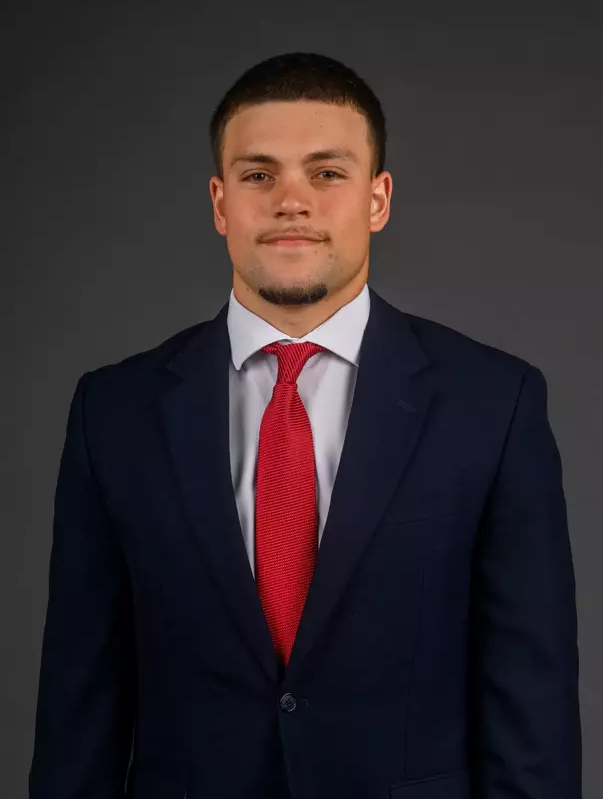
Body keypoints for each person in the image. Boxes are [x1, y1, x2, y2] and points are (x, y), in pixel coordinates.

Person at [29, 51, 582, 799]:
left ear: (377, 199)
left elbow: (531, 697)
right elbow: (78, 703)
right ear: (221, 202)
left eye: (326, 173)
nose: (292, 201)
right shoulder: (113, 412)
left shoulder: (493, 401)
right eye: (259, 175)